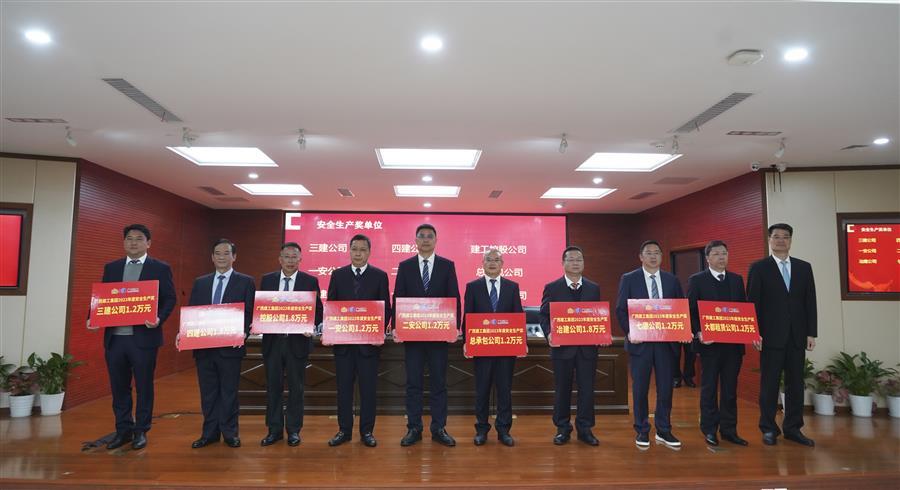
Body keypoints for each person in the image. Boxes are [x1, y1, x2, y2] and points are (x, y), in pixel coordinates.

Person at [88, 224, 177, 450]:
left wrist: (159, 318)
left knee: (144, 386)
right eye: (129, 238)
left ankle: (141, 431)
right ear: (124, 242)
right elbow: (102, 298)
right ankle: (123, 430)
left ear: (148, 243)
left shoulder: (160, 268)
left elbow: (169, 298)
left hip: (144, 339)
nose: (133, 242)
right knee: (119, 387)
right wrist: (92, 317)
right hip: (115, 339)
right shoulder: (112, 268)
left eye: (139, 238)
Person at [748, 223, 817, 447]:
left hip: (797, 336)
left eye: (785, 237)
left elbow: (810, 301)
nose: (781, 240)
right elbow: (753, 303)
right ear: (769, 240)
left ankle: (793, 428)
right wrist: (754, 332)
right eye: (776, 236)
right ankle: (768, 428)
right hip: (770, 337)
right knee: (769, 384)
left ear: (790, 240)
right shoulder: (759, 268)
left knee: (795, 384)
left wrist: (811, 333)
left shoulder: (804, 267)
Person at [393, 223, 461, 447]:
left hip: (439, 337)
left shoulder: (447, 266)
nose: (425, 239)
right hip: (412, 336)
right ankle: (414, 428)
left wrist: (455, 327)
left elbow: (454, 297)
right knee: (413, 384)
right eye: (421, 236)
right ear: (415, 240)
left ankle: (439, 428)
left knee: (439, 384)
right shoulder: (405, 266)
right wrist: (396, 326)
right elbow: (398, 297)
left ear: (435, 240)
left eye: (429, 236)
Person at [615, 240, 685, 449]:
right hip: (641, 343)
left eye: (657, 253)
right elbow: (621, 309)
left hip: (666, 344)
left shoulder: (672, 280)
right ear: (641, 257)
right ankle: (642, 429)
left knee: (665, 388)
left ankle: (664, 430)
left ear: (661, 257)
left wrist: (682, 330)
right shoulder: (629, 278)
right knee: (640, 388)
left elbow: (680, 307)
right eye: (648, 253)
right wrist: (630, 332)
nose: (653, 256)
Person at [186, 239, 255, 449]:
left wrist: (242, 332)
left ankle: (230, 433)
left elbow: (250, 312)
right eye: (218, 253)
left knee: (229, 392)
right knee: (208, 393)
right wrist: (184, 332)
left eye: (226, 253)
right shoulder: (201, 282)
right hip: (204, 348)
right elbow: (192, 312)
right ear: (212, 257)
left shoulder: (246, 281)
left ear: (234, 257)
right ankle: (209, 433)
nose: (222, 257)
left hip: (231, 348)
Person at [325, 234, 391, 448]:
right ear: (349, 250)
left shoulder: (379, 276)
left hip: (368, 346)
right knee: (343, 390)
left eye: (362, 250)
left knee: (368, 391)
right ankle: (344, 431)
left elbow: (386, 308)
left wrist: (378, 331)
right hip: (343, 345)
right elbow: (332, 306)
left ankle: (367, 431)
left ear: (369, 252)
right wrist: (330, 330)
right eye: (354, 249)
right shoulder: (338, 275)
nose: (358, 253)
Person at [258, 242, 322, 447]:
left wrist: (312, 325)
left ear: (300, 259)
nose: (290, 261)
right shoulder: (267, 280)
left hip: (297, 343)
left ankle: (294, 430)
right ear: (280, 259)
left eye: (294, 257)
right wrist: (257, 322)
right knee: (273, 388)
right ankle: (274, 430)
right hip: (273, 342)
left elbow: (318, 311)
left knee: (296, 389)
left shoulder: (309, 281)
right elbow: (261, 308)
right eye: (287, 256)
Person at [687, 240, 748, 447]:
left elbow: (743, 310)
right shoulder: (697, 280)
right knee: (709, 389)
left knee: (730, 390)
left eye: (724, 253)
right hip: (709, 345)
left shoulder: (737, 280)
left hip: (733, 346)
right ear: (707, 258)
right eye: (716, 254)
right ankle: (709, 430)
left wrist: (751, 332)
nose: (721, 257)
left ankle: (729, 430)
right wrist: (698, 332)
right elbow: (690, 311)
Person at [539, 245, 602, 446]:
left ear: (583, 263)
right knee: (562, 389)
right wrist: (549, 333)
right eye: (571, 259)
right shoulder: (552, 287)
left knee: (587, 390)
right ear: (563, 263)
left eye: (579, 259)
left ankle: (585, 429)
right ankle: (562, 428)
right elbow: (544, 315)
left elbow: (597, 315)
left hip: (587, 349)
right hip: (562, 349)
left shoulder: (593, 288)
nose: (575, 263)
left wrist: (601, 331)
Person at [463, 249, 523, 447]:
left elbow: (517, 315)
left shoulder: (512, 287)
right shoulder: (473, 287)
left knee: (504, 390)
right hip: (482, 348)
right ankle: (481, 429)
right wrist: (467, 341)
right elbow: (467, 316)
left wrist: (521, 341)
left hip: (506, 349)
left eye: (496, 260)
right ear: (482, 263)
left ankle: (504, 430)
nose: (492, 263)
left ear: (502, 264)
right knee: (482, 391)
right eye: (488, 259)